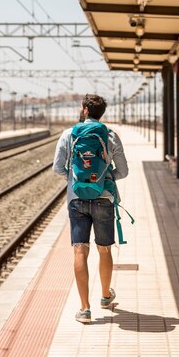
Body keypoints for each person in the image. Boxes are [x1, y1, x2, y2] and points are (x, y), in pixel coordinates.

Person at [53, 93, 129, 324]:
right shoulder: (110, 135)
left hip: (76, 200)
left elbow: (58, 168)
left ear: (85, 109)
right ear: (100, 112)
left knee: (80, 250)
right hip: (104, 199)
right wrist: (103, 180)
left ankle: (85, 309)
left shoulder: (69, 134)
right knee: (104, 249)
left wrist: (76, 181)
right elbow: (123, 171)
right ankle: (105, 297)